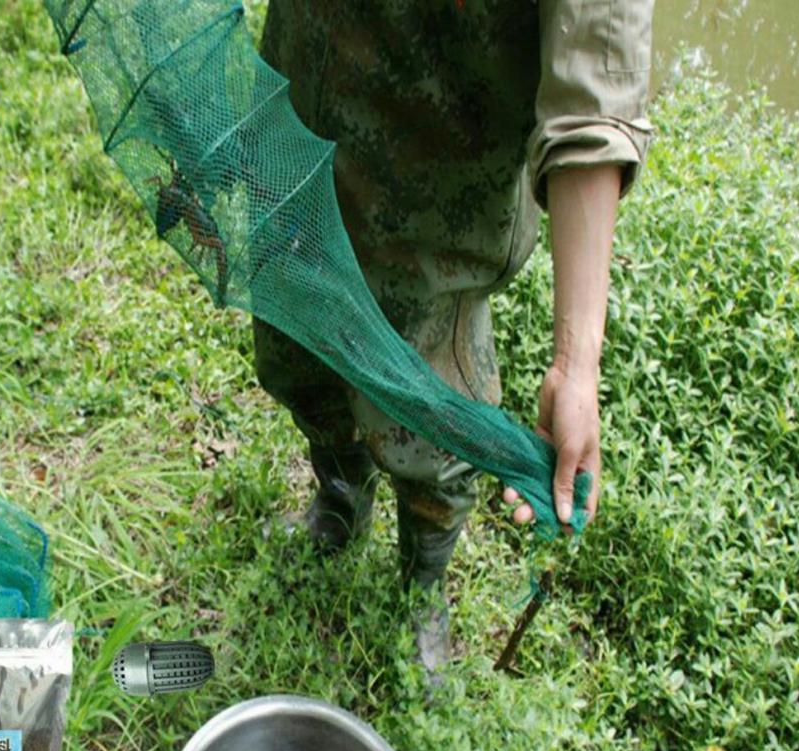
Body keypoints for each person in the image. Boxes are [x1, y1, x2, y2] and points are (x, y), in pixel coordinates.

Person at [253, 0, 654, 669]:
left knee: (431, 432)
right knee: (298, 360)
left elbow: (594, 99)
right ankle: (339, 501)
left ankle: (422, 587)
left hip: (433, 206)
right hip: (298, 136)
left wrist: (576, 364)